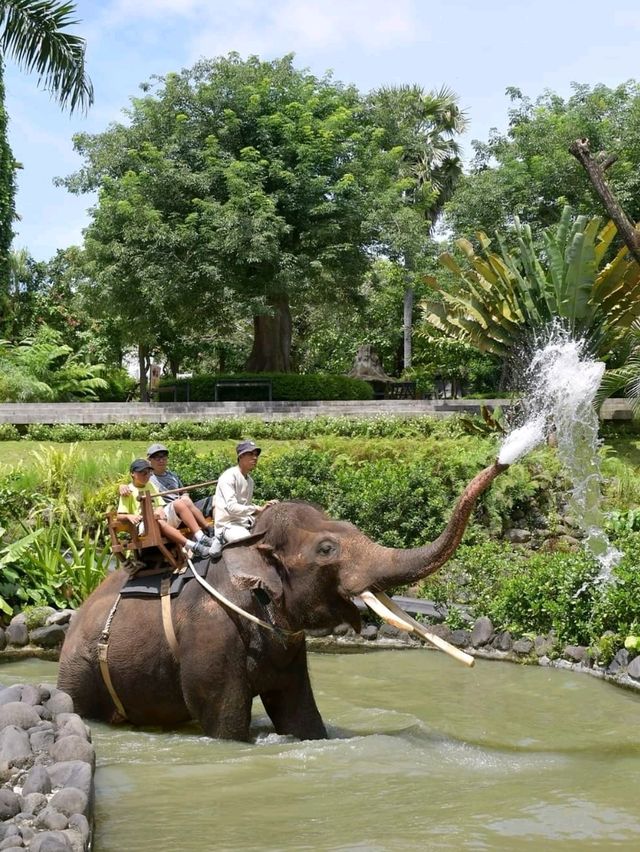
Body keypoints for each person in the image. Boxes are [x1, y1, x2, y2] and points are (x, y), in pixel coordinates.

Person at [119, 443, 214, 546]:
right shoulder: (148, 480)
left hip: (177, 510)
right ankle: (197, 542)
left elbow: (175, 495)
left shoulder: (169, 476)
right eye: (157, 457)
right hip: (159, 516)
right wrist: (121, 487)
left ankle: (211, 531)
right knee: (178, 505)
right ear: (149, 460)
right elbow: (133, 484)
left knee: (214, 499)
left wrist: (185, 496)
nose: (161, 460)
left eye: (164, 457)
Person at [214, 440, 277, 543]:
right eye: (250, 454)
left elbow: (245, 505)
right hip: (229, 525)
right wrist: (257, 509)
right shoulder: (229, 476)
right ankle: (218, 540)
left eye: (256, 455)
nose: (255, 458)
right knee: (251, 543)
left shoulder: (250, 480)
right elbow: (232, 508)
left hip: (245, 522)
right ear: (241, 456)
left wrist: (265, 509)